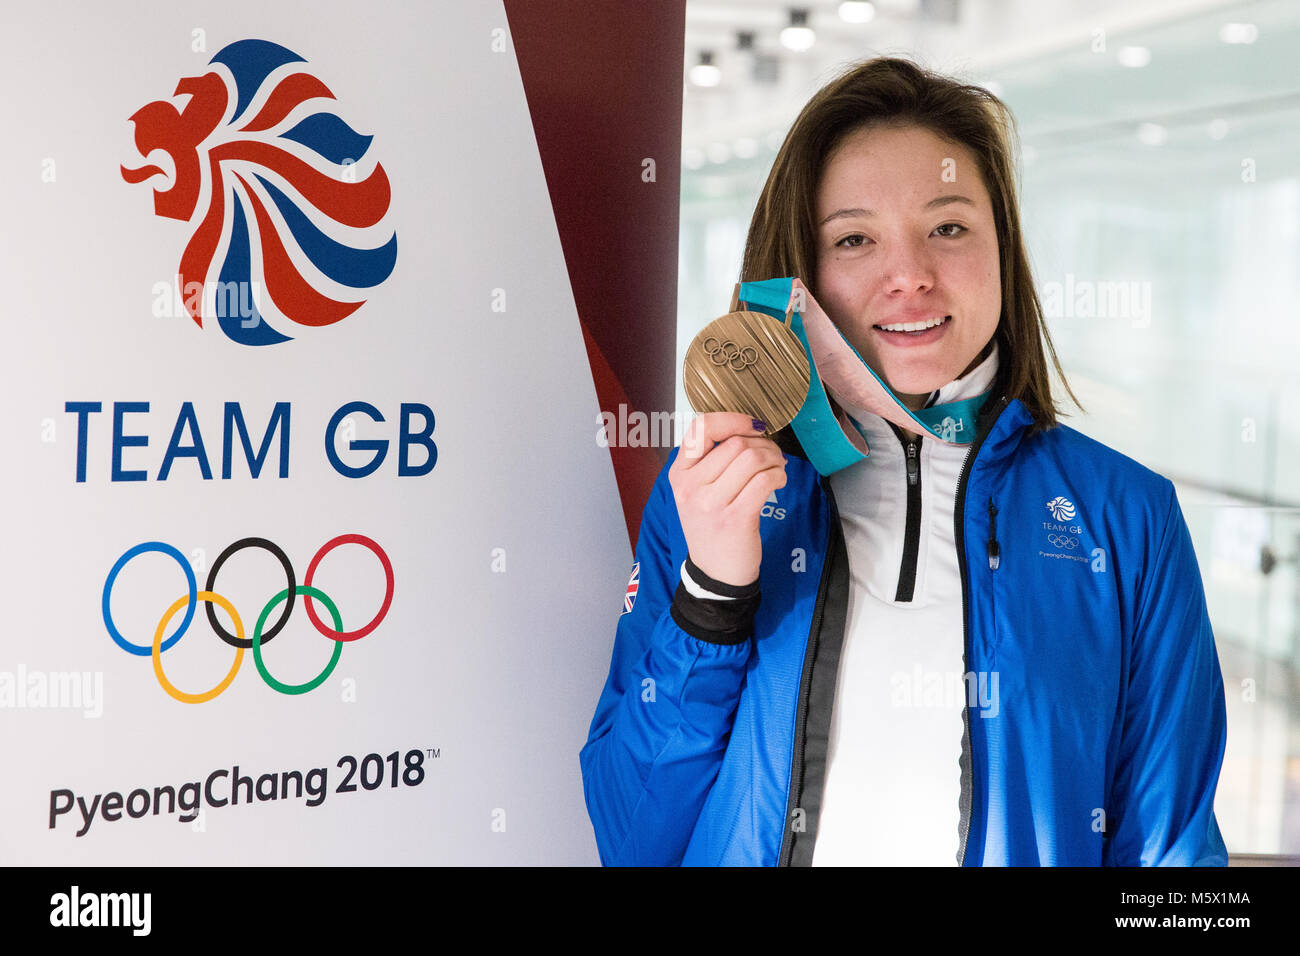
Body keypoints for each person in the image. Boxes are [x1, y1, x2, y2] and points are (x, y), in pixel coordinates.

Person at [579, 57, 1228, 866]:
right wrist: (713, 591)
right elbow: (630, 833)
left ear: (1003, 249)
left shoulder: (1125, 516)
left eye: (948, 227)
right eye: (854, 239)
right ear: (801, 275)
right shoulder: (712, 490)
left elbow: (1172, 857)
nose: (910, 276)